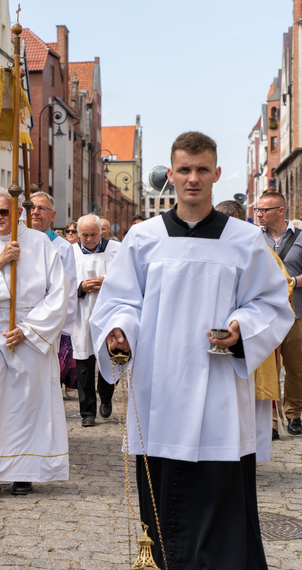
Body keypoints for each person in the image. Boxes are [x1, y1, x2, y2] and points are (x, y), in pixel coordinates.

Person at [91, 132, 293, 567]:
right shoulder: (144, 238)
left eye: (202, 170)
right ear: (171, 174)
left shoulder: (243, 239)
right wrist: (120, 329)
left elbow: (272, 304)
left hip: (219, 388)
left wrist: (243, 327)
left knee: (220, 499)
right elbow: (120, 301)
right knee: (164, 500)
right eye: (184, 169)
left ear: (217, 174)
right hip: (159, 388)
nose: (193, 178)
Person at [0, 186, 69, 499]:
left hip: (27, 331)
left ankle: (24, 471)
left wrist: (29, 330)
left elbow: (58, 294)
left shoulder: (41, 244)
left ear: (19, 212)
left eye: (4, 212)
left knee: (25, 404)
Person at [217, 199, 292, 453]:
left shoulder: (256, 245)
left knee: (250, 397)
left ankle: (251, 444)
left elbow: (280, 285)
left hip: (247, 332)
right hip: (216, 336)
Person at [255, 190, 302, 436]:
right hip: (265, 314)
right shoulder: (253, 239)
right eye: (258, 210)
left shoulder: (301, 238)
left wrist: (288, 281)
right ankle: (271, 421)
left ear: (280, 211)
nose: (259, 214)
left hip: (297, 313)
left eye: (264, 210)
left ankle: (293, 413)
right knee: (267, 368)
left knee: (296, 367)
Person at [72, 214, 120, 427]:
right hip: (81, 313)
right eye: (85, 235)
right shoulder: (70, 252)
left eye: (93, 234)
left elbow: (127, 279)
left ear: (101, 231)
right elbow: (60, 283)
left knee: (109, 358)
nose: (89, 239)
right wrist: (80, 287)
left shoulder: (116, 250)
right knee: (84, 364)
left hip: (108, 313)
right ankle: (87, 412)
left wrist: (107, 283)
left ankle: (107, 396)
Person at [30, 191, 78, 400]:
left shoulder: (63, 248)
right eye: (31, 207)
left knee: (47, 384)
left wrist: (61, 328)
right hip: (20, 322)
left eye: (42, 208)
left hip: (50, 328)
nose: (35, 212)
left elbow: (69, 289)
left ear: (53, 215)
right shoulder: (16, 242)